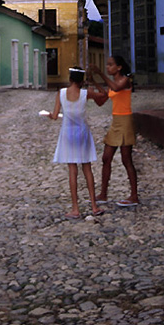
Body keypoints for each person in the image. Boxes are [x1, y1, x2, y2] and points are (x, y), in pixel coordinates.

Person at [48, 67, 107, 220]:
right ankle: (94, 205)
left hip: (67, 133)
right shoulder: (85, 94)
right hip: (82, 133)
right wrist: (95, 83)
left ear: (70, 79)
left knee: (72, 170)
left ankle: (75, 208)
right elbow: (104, 96)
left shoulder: (61, 93)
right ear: (82, 81)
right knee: (87, 169)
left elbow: (55, 116)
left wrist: (49, 115)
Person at [88, 56, 139, 207]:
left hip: (125, 122)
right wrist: (94, 83)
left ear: (119, 67)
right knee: (106, 158)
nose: (108, 67)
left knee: (126, 159)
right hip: (116, 122)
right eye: (107, 65)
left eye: (110, 65)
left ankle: (134, 195)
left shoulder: (125, 80)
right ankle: (103, 194)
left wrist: (100, 74)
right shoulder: (112, 84)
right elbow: (101, 100)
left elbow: (116, 88)